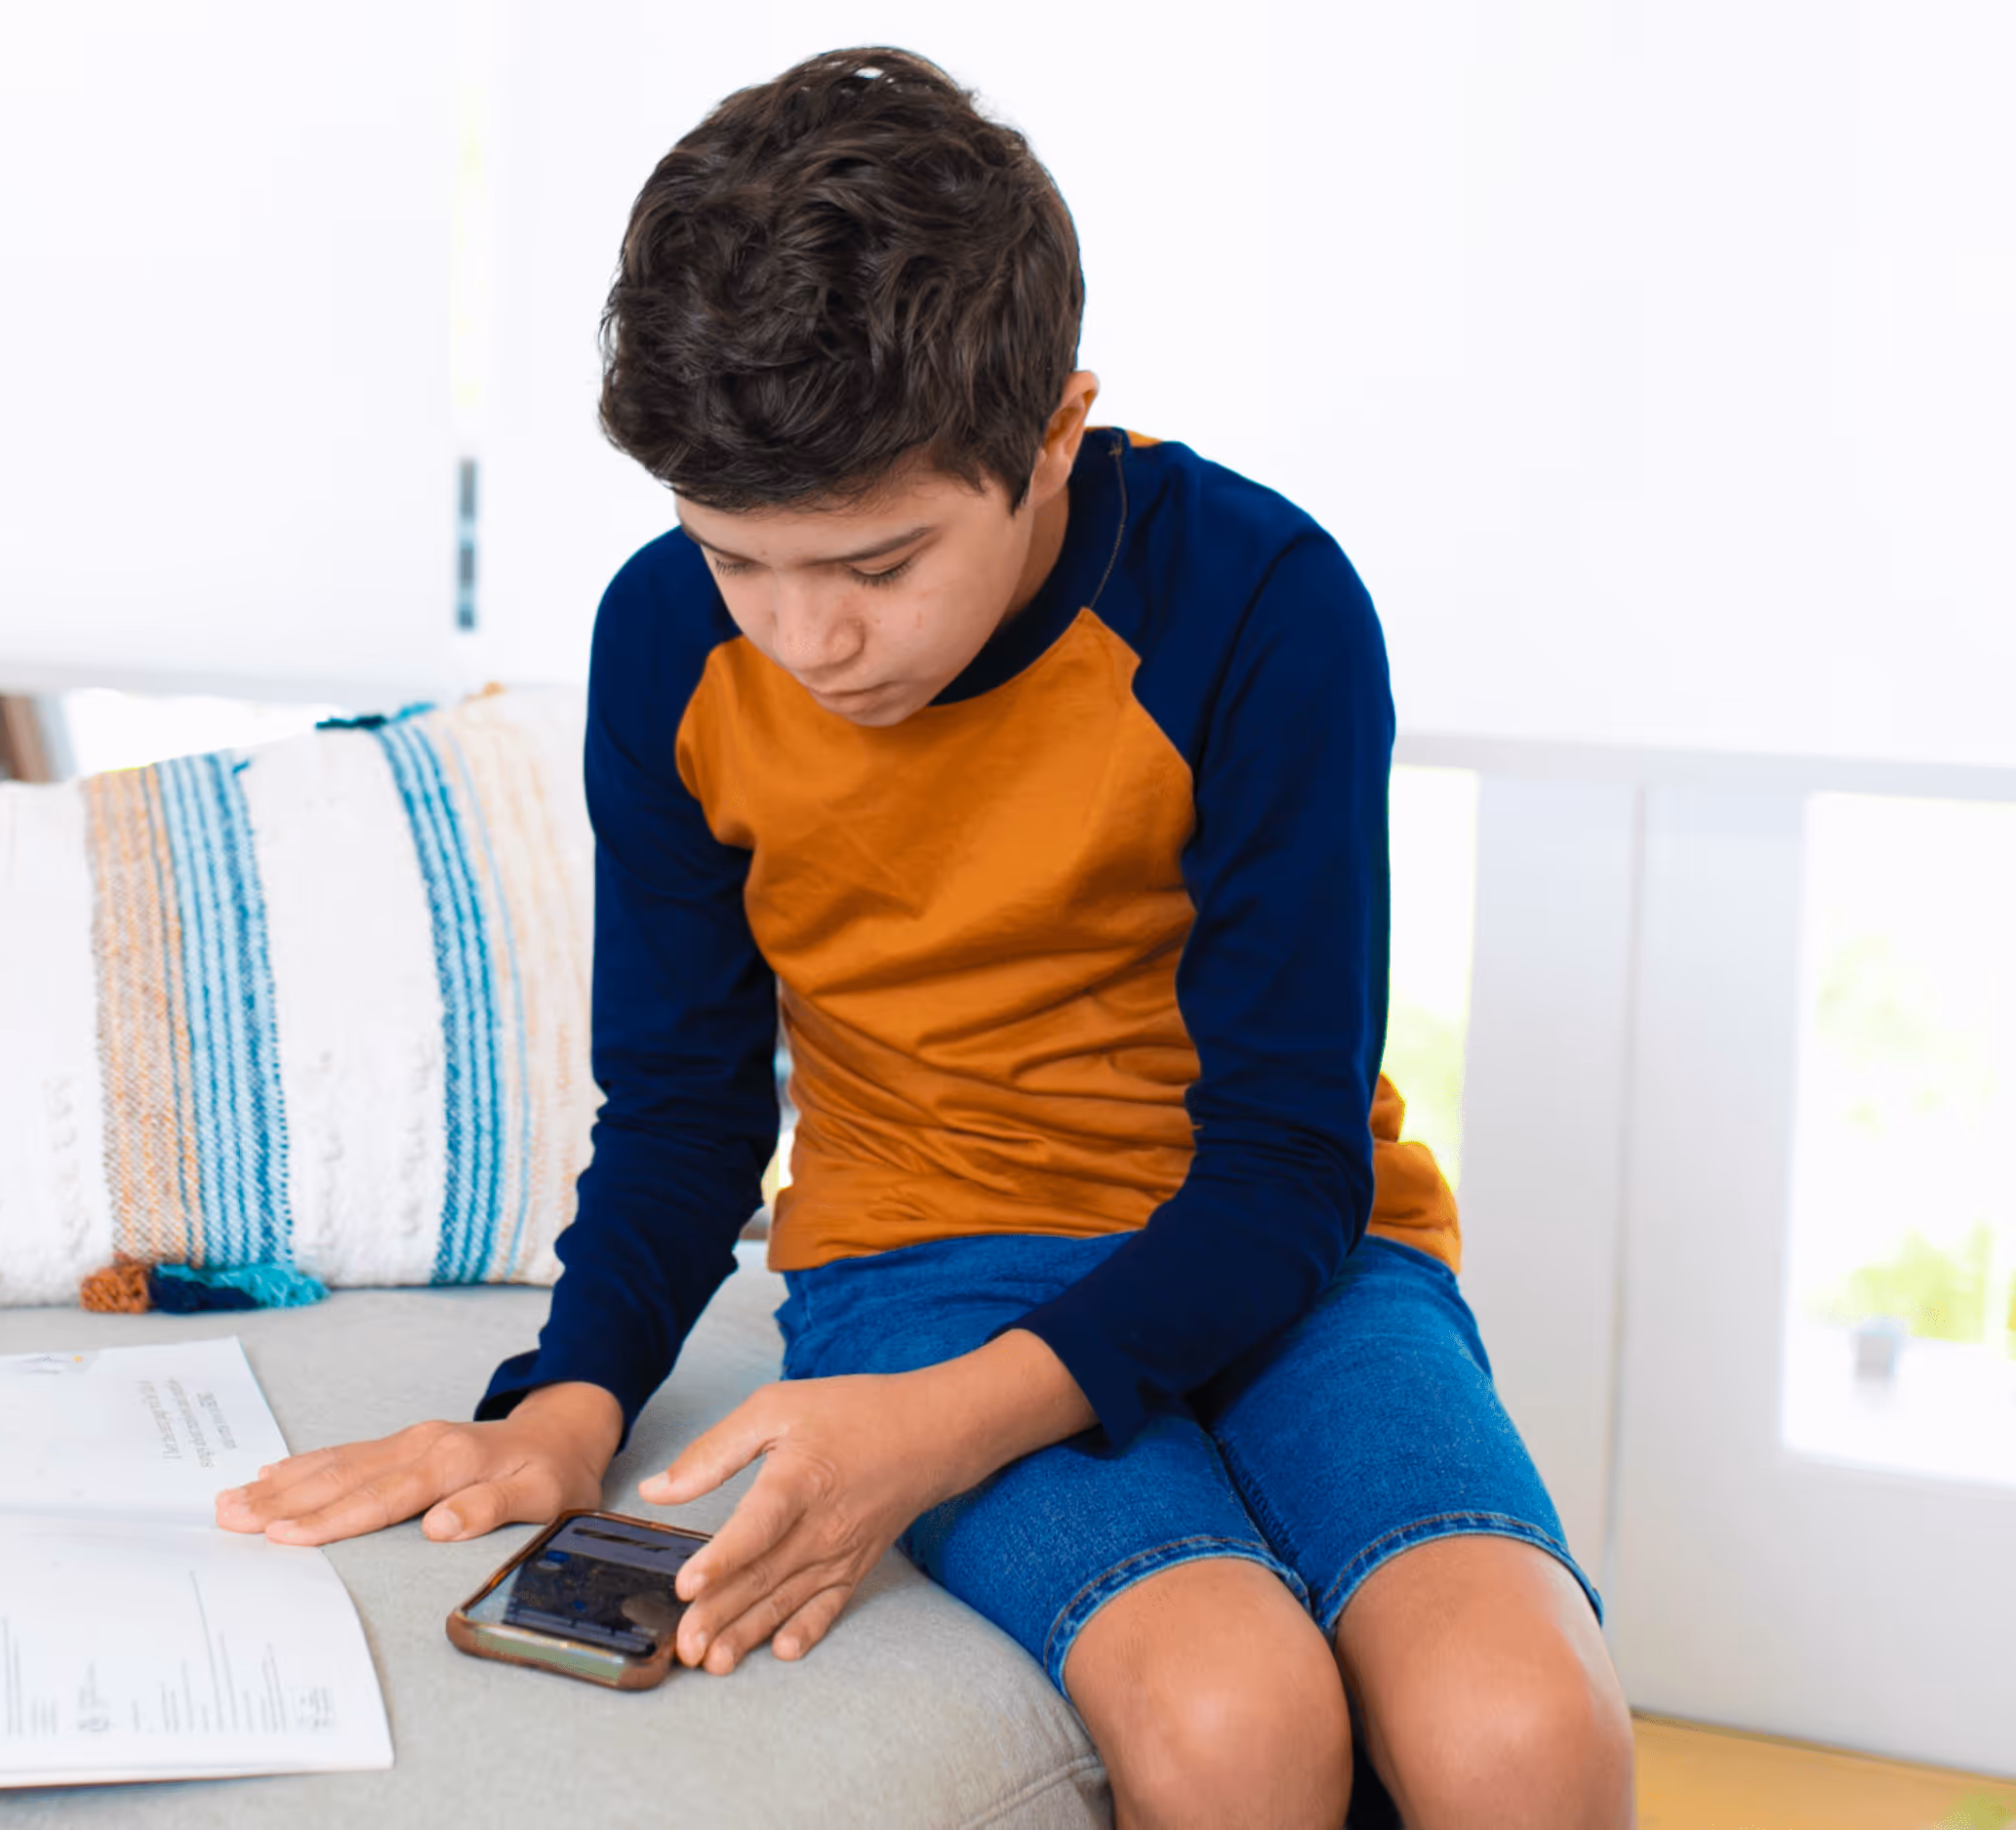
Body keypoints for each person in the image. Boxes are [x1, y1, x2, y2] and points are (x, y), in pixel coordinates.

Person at [220, 47, 1633, 1828]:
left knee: (1524, 1730)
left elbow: (1285, 1166)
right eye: (738, 558)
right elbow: (685, 1110)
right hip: (927, 1258)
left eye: (878, 568)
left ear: (1052, 434)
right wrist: (563, 1403)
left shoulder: (1262, 606)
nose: (805, 638)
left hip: (1285, 1257)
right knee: (1233, 1713)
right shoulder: (665, 647)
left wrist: (932, 1434)